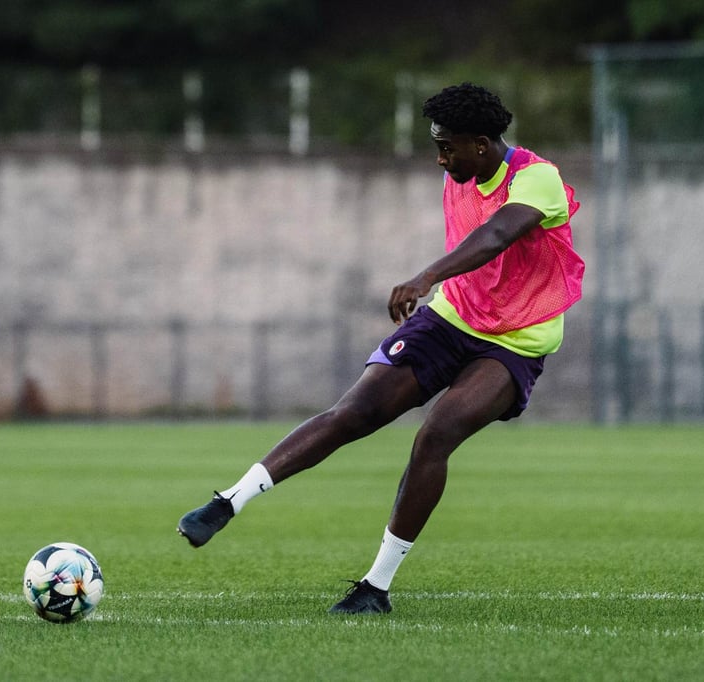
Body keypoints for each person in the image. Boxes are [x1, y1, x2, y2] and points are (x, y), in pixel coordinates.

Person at [177, 82, 585, 614]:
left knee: (436, 434)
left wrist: (425, 277)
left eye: (448, 147)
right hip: (452, 317)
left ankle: (375, 588)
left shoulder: (538, 178)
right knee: (355, 411)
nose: (440, 158)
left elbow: (495, 237)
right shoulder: (462, 170)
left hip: (516, 341)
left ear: (482, 144)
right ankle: (228, 502)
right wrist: (438, 289)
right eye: (437, 146)